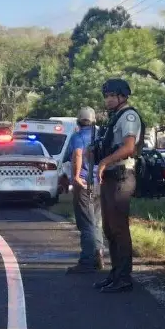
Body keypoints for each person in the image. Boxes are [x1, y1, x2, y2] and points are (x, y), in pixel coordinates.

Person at [93, 78, 144, 293]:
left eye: (111, 96)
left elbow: (129, 147)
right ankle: (115, 273)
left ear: (122, 96)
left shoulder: (129, 116)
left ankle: (124, 277)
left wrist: (105, 161)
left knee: (119, 228)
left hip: (122, 175)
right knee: (108, 228)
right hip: (111, 176)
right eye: (106, 96)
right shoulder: (115, 118)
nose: (108, 100)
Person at [65, 106, 105, 274]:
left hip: (84, 184)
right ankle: (98, 255)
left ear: (78, 121)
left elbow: (77, 154)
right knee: (96, 222)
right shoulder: (101, 136)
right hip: (100, 184)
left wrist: (75, 176)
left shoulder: (79, 136)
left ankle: (87, 261)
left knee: (86, 223)